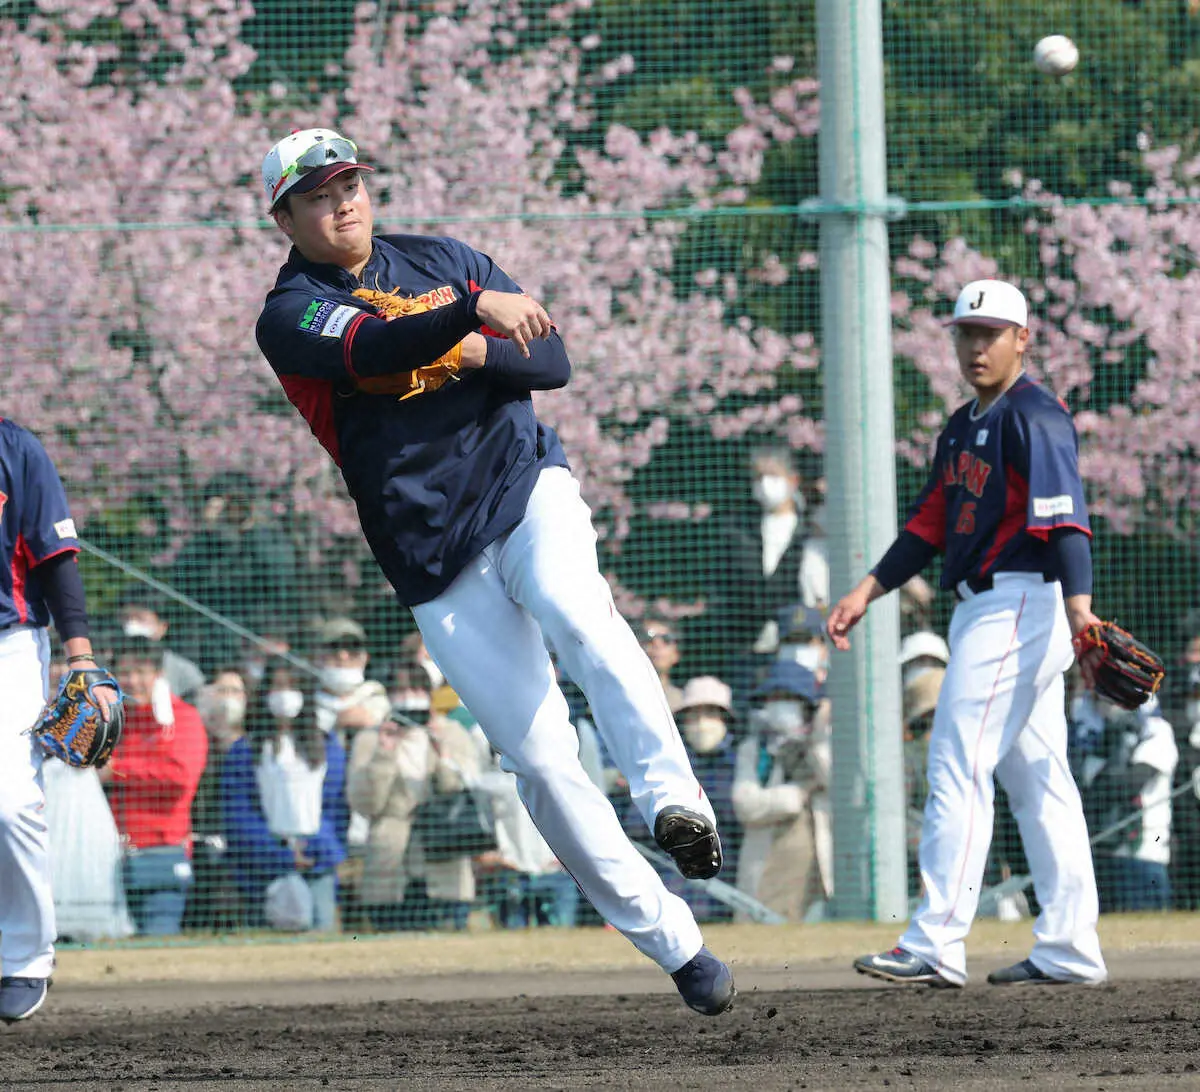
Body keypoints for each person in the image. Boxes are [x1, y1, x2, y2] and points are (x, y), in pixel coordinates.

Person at [254, 127, 732, 1014]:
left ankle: (676, 802)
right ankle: (677, 943)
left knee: (574, 606)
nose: (342, 202)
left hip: (522, 486)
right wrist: (475, 320)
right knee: (542, 764)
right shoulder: (291, 312)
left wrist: (475, 328)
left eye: (350, 183)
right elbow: (369, 351)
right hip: (429, 553)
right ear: (283, 216)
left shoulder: (446, 259)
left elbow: (549, 360)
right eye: (317, 195)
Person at [828, 278, 1108, 988]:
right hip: (989, 609)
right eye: (966, 332)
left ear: (1023, 338)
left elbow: (1066, 519)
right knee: (1037, 778)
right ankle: (1070, 948)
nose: (977, 345)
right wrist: (868, 589)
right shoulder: (963, 423)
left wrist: (1082, 614)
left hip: (1021, 603)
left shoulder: (1036, 416)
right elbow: (929, 519)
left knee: (956, 757)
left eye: (992, 332)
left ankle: (935, 941)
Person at [0, 419, 120, 1023]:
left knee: (11, 804)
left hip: (9, 643)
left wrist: (82, 657)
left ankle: (24, 956)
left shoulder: (13, 447)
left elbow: (53, 556)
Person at [345, 669, 480, 931]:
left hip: (443, 858)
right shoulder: (370, 739)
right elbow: (365, 803)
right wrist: (384, 754)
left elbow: (463, 791)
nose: (409, 698)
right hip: (389, 861)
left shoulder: (451, 733)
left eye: (417, 690)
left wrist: (443, 756)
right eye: (401, 690)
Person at [221, 659, 347, 931]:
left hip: (318, 866)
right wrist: (281, 855)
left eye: (293, 686)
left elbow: (336, 810)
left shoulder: (328, 747)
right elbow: (238, 814)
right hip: (264, 868)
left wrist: (314, 848)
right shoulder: (246, 750)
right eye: (277, 686)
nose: (285, 694)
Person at [102, 636, 209, 936]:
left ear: (159, 675)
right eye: (125, 672)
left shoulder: (183, 718)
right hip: (112, 854)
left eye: (141, 671)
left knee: (156, 942)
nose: (132, 680)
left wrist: (117, 771)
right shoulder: (115, 719)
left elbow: (180, 776)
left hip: (161, 852)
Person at [731, 660, 831, 922]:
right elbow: (746, 805)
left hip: (818, 875)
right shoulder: (754, 749)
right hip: (766, 873)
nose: (780, 704)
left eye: (789, 698)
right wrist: (798, 793)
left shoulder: (823, 747)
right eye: (774, 697)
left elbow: (835, 784)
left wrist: (817, 737)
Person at [1069, 691, 1178, 913]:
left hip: (1144, 856)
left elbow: (1129, 783)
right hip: (1098, 856)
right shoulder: (1093, 736)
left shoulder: (1158, 731)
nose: (1107, 705)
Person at [116, 589, 206, 702]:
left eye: (140, 618)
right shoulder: (107, 666)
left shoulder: (185, 672)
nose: (132, 624)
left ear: (162, 627)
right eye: (127, 618)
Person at [639, 617, 685, 714]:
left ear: (676, 654)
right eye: (649, 638)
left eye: (666, 639)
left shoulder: (683, 702)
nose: (657, 644)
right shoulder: (625, 695)